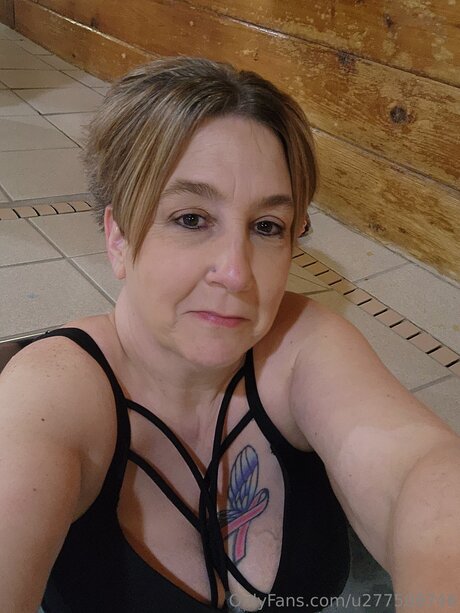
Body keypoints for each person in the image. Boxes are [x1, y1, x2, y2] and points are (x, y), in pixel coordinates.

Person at [0, 57, 459, 613]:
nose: (237, 273)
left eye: (267, 227)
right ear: (118, 238)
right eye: (191, 218)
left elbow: (420, 471)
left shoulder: (302, 345)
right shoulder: (51, 392)